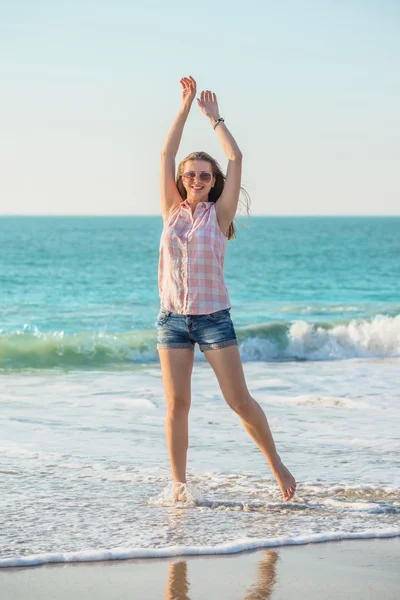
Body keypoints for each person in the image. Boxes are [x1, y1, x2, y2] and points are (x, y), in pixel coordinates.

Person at [157, 75, 296, 503]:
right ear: (182, 180)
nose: (197, 178)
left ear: (213, 181)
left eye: (204, 174)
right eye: (191, 174)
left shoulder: (220, 215)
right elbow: (165, 154)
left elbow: (236, 157)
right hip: (172, 319)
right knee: (178, 405)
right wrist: (183, 109)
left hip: (214, 319)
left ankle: (277, 466)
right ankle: (179, 486)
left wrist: (215, 119)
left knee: (238, 400)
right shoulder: (171, 211)